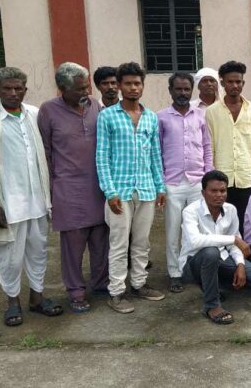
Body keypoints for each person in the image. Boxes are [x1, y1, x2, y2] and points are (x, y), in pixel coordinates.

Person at [0, 67, 61, 327]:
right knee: (9, 256)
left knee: (38, 250)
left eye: (18, 88)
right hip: (8, 203)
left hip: (38, 199)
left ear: (25, 89)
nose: (13, 93)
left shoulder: (35, 114)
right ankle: (12, 301)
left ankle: (37, 297)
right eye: (7, 88)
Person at [38, 62, 109, 314]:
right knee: (73, 245)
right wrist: (49, 189)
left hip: (98, 185)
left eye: (87, 86)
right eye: (79, 88)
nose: (86, 92)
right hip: (68, 189)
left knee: (101, 239)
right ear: (62, 88)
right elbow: (44, 153)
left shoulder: (95, 106)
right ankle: (76, 291)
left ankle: (101, 282)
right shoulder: (48, 111)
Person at [96, 62, 167, 313]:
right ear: (119, 86)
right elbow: (102, 156)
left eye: (137, 83)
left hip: (146, 189)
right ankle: (116, 292)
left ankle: (139, 284)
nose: (133, 88)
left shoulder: (151, 117)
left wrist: (160, 187)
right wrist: (110, 192)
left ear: (143, 86)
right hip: (119, 192)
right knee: (118, 244)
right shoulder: (107, 116)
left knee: (142, 242)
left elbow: (155, 156)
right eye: (128, 83)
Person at [180, 170, 251, 325]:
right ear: (203, 193)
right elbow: (196, 241)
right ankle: (212, 306)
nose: (219, 195)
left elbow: (234, 243)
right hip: (193, 264)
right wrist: (233, 240)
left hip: (222, 258)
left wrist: (240, 264)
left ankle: (216, 286)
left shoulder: (230, 209)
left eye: (223, 190)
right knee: (211, 252)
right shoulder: (190, 211)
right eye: (213, 191)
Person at [157, 72, 213, 294]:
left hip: (197, 182)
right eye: (178, 89)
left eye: (186, 89)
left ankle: (194, 269)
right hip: (172, 183)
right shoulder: (161, 117)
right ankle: (175, 273)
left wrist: (208, 177)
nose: (182, 93)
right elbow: (156, 152)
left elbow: (207, 147)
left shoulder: (200, 116)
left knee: (198, 229)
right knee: (173, 231)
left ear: (192, 91)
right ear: (170, 90)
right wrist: (161, 183)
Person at [205, 61, 251, 235]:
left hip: (245, 176)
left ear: (243, 83)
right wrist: (211, 174)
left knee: (244, 218)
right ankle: (223, 250)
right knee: (221, 219)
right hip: (221, 175)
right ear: (222, 83)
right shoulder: (212, 111)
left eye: (238, 82)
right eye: (230, 82)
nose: (235, 85)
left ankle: (243, 250)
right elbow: (209, 144)